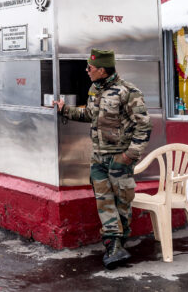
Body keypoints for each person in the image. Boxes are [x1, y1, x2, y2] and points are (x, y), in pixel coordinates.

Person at [52, 49, 151, 269]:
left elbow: (144, 126)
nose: (86, 71)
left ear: (102, 69)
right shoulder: (94, 89)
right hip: (98, 158)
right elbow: (89, 115)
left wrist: (129, 156)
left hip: (119, 159)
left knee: (122, 203)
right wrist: (65, 110)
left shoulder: (128, 92)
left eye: (90, 67)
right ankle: (113, 247)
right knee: (104, 203)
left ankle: (118, 245)